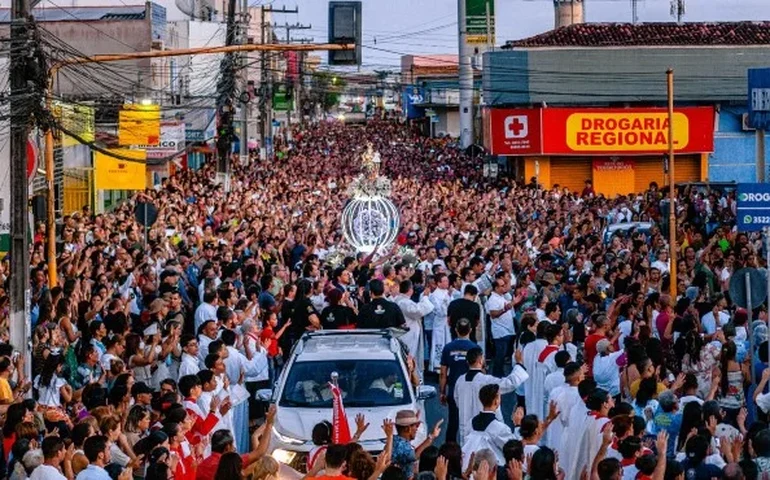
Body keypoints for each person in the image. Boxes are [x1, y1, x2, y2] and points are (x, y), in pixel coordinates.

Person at [454, 347, 528, 444]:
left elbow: (457, 401)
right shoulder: (486, 381)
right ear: (480, 360)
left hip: (467, 426)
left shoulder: (460, 381)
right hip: (488, 427)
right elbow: (509, 383)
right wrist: (519, 364)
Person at [461, 384, 519, 468]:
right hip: (491, 470)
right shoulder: (500, 428)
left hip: (469, 467)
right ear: (496, 401)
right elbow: (513, 450)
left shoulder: (470, 423)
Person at [439, 318, 476, 443]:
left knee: (453, 422)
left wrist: (442, 392)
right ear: (470, 330)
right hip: (471, 391)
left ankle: (449, 452)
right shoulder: (475, 348)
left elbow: (443, 373)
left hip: (454, 391)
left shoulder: (448, 348)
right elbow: (481, 371)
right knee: (471, 421)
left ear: (456, 330)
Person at [391, 410, 442, 477]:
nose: (416, 429)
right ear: (407, 429)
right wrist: (432, 436)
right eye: (415, 426)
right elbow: (415, 455)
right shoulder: (400, 445)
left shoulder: (397, 441)